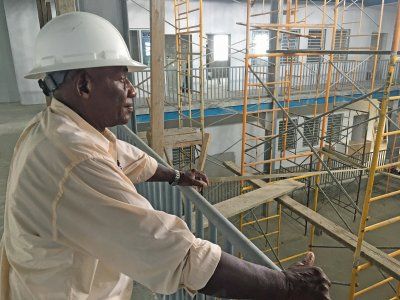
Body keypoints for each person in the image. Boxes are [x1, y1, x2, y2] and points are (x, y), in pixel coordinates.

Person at [0, 12, 330, 299]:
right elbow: (176, 253)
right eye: (122, 77)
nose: (132, 90)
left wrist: (175, 176)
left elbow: (125, 155)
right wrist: (286, 287)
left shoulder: (58, 127)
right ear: (84, 85)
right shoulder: (72, 159)